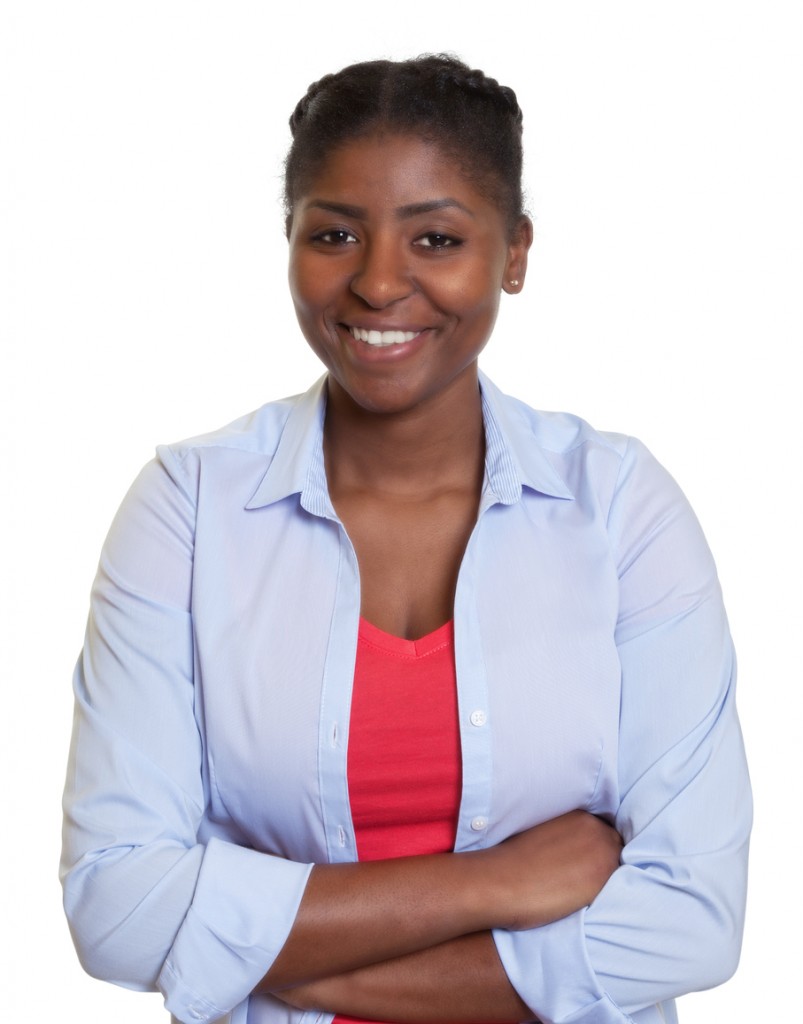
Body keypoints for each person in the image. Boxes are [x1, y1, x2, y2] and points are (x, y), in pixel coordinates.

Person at [61, 55, 751, 1024]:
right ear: (290, 242)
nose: (379, 282)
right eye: (334, 233)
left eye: (435, 237)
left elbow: (689, 921)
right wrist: (494, 882)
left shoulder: (620, 508)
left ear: (512, 253)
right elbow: (119, 908)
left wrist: (241, 948)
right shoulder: (188, 506)